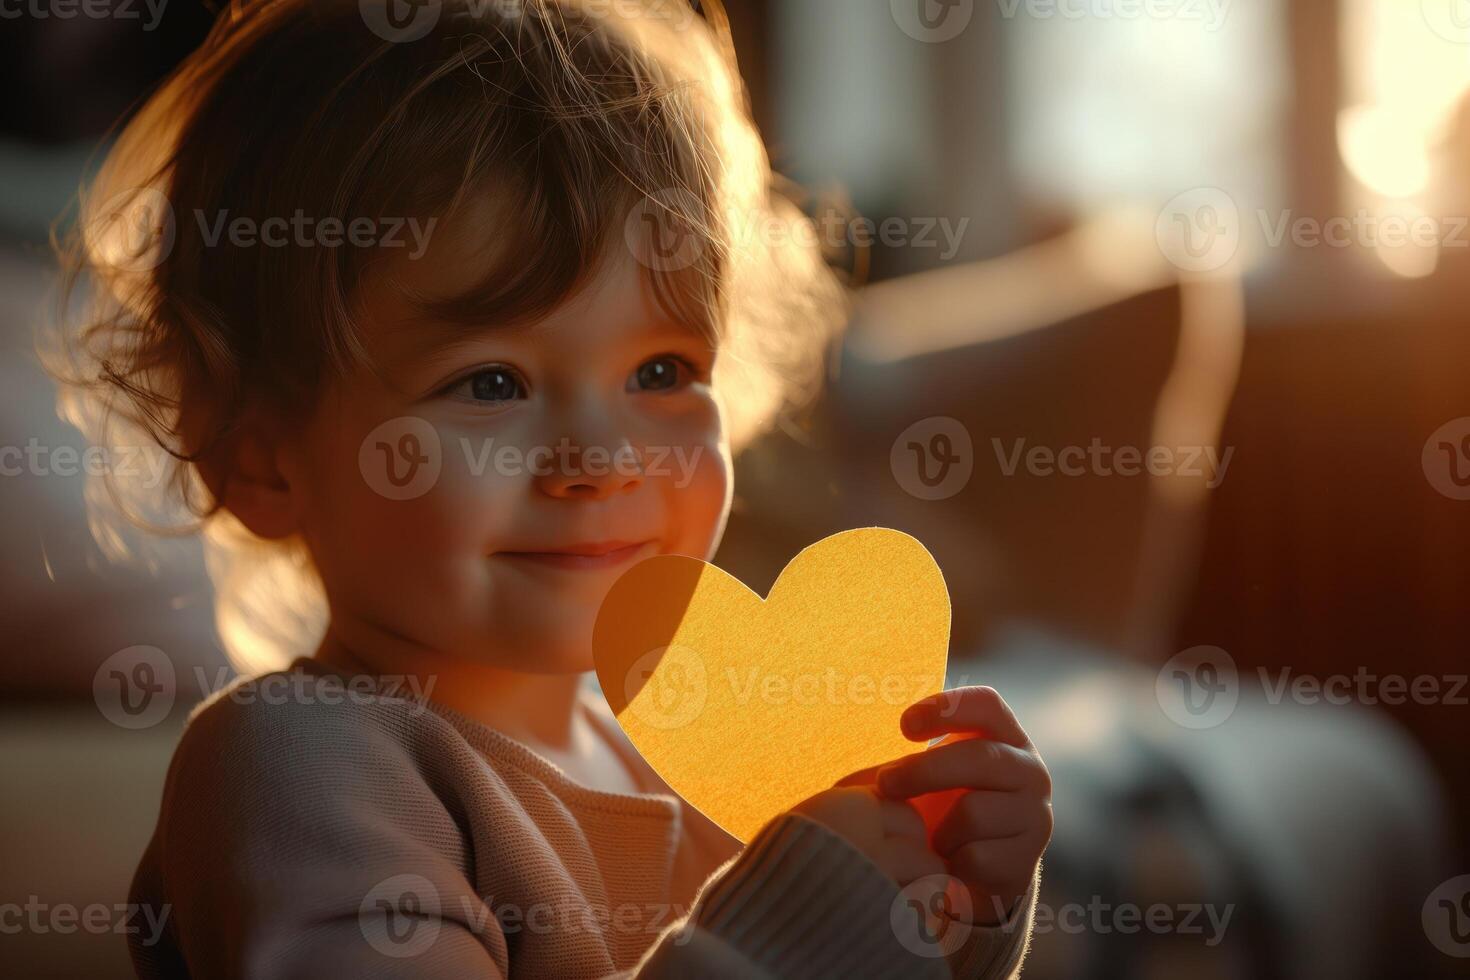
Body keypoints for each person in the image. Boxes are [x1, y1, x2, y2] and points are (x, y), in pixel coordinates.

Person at [45, 1, 1051, 975]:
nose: (601, 459)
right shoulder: (297, 770)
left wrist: (946, 907)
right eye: (492, 383)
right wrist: (797, 927)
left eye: (660, 371)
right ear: (260, 459)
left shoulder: (693, 735)